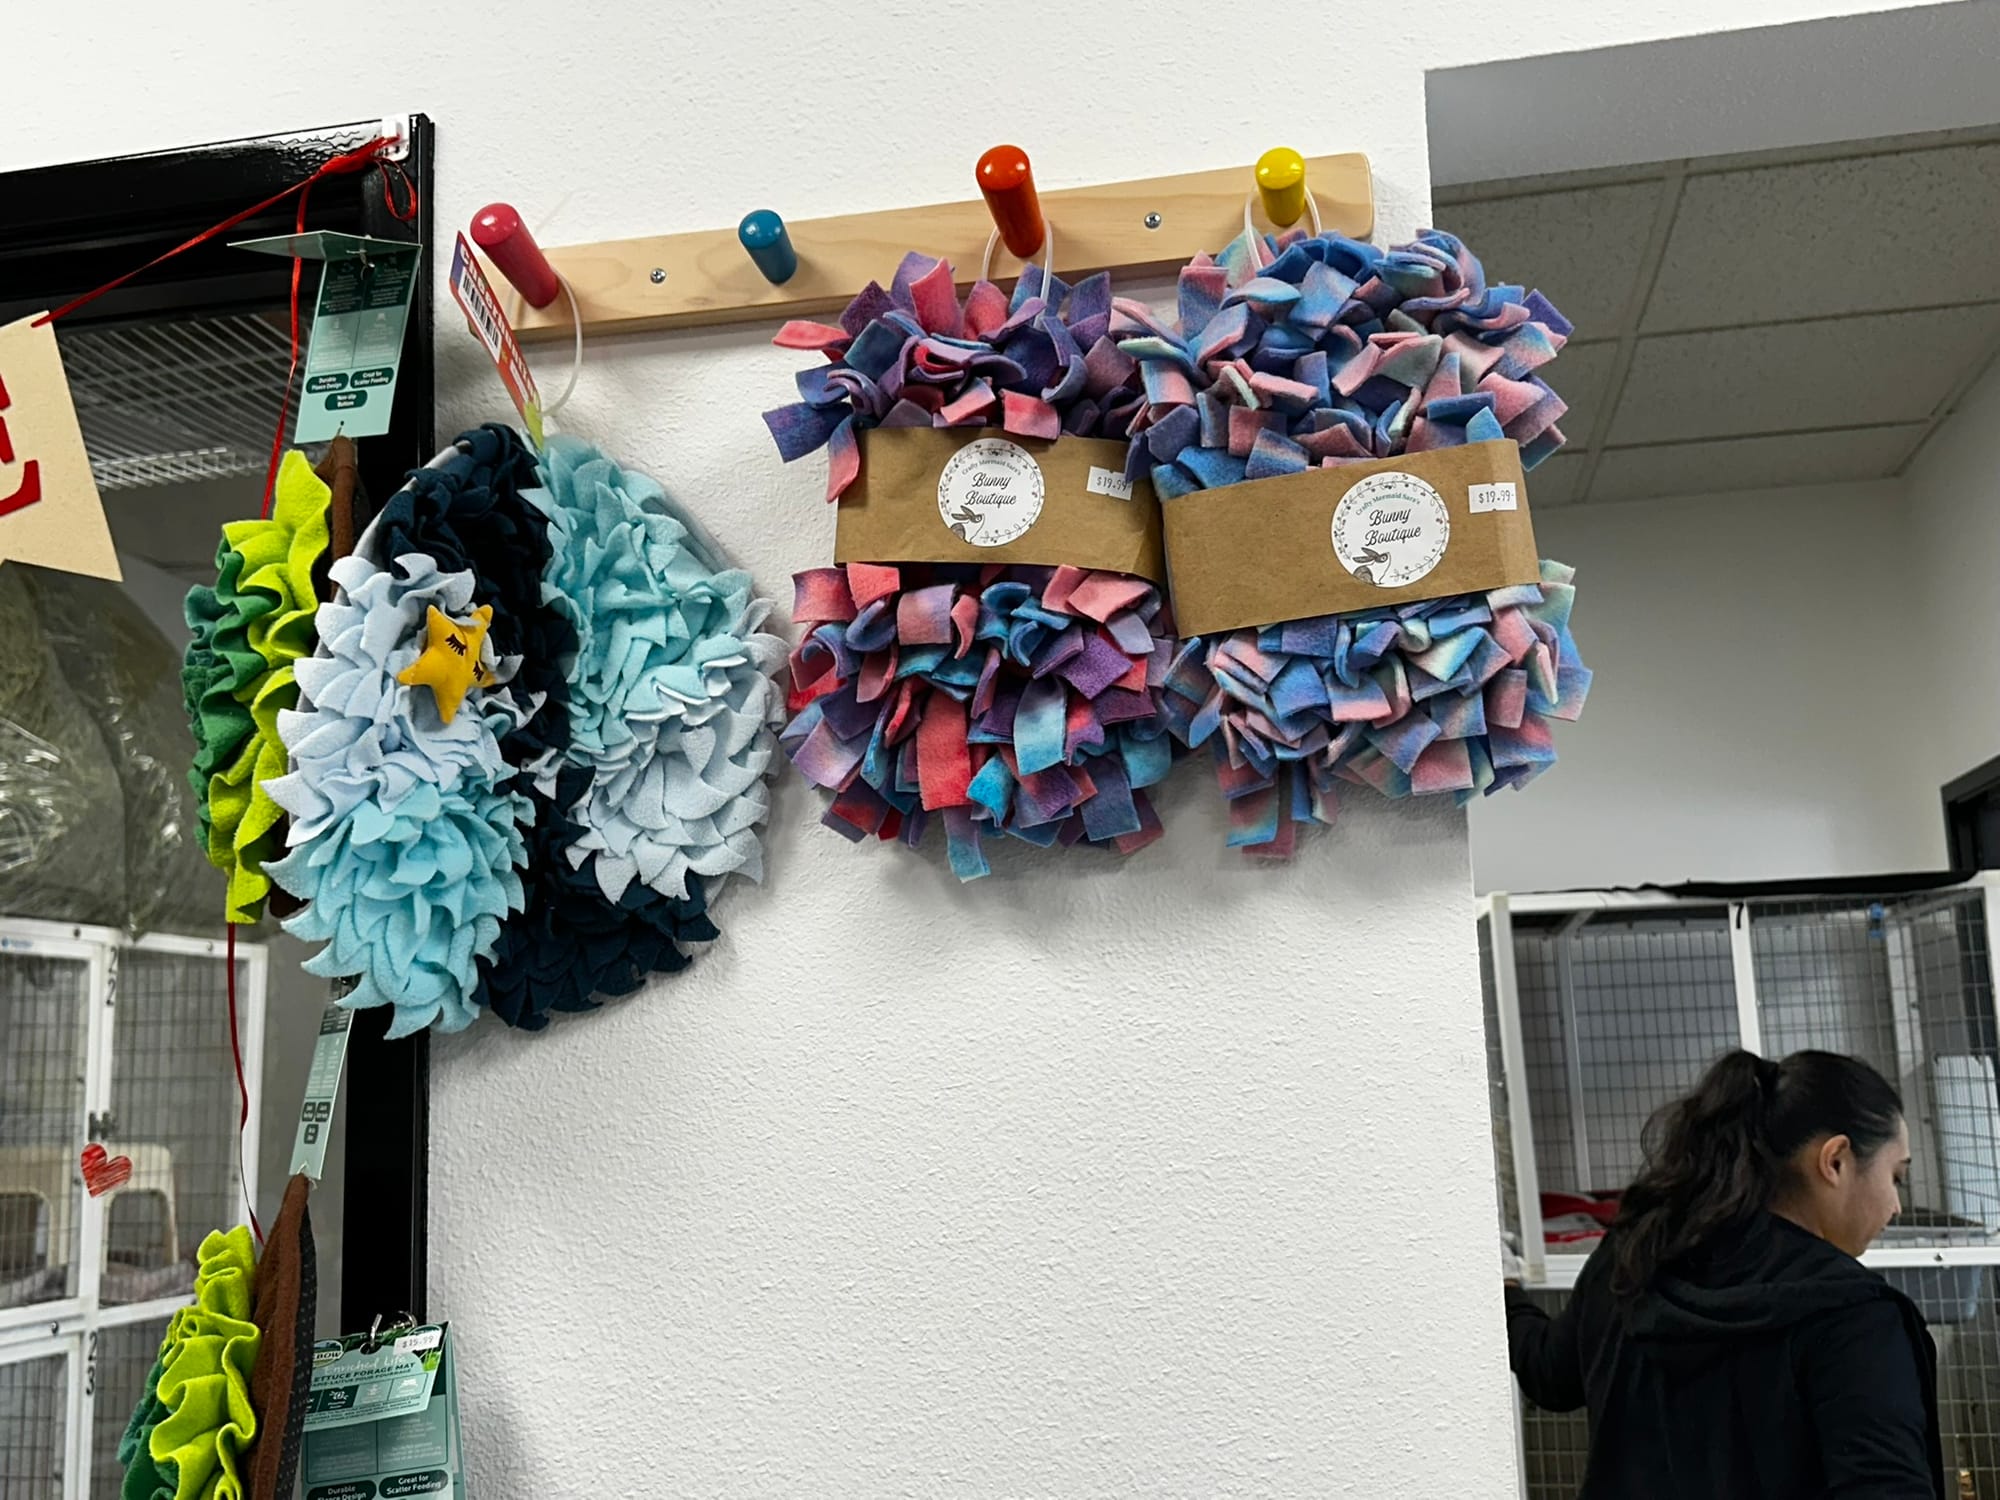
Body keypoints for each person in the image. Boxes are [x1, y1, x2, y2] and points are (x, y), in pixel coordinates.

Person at [1505, 1049, 1944, 1499]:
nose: (1895, 1205)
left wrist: (1505, 1293)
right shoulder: (1856, 1318)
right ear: (1834, 1161)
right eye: (1896, 1176)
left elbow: (1549, 1372)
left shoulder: (1634, 1253)